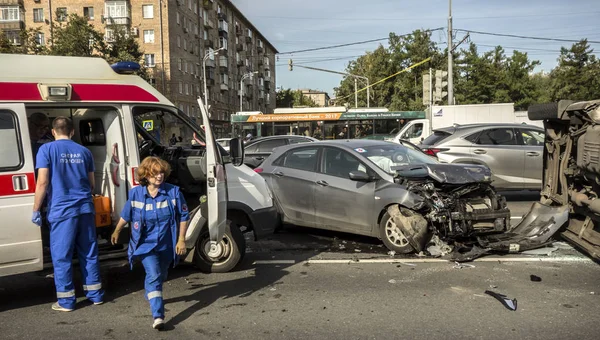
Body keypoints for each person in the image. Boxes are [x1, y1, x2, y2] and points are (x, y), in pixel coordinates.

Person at [32, 116, 104, 312]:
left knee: (62, 257)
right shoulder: (84, 151)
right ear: (72, 132)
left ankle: (66, 301)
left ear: (54, 131)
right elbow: (91, 184)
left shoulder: (45, 150)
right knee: (89, 253)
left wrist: (36, 209)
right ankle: (95, 294)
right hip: (85, 208)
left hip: (62, 210)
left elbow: (42, 183)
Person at [111, 157, 189, 330]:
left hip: (167, 245)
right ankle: (158, 315)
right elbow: (126, 214)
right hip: (145, 245)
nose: (160, 176)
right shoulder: (136, 194)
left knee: (161, 275)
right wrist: (117, 230)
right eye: (155, 173)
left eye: (162, 172)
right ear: (146, 174)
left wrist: (181, 239)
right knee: (153, 275)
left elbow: (184, 216)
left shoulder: (174, 192)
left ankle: (152, 293)